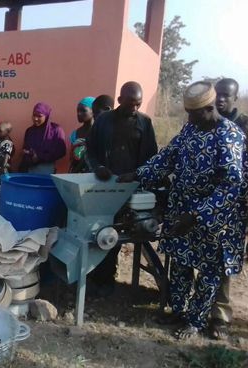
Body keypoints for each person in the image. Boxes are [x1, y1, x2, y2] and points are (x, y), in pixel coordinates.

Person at [118, 81, 248, 339]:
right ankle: (178, 311)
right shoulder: (191, 128)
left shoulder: (229, 135)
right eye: (188, 113)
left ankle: (196, 321)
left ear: (210, 108)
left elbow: (231, 185)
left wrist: (197, 215)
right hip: (182, 211)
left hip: (213, 220)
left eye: (194, 113)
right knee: (179, 263)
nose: (189, 118)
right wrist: (137, 174)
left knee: (209, 273)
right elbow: (167, 157)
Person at [86, 81, 158, 295]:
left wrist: (138, 175)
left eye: (138, 104)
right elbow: (90, 150)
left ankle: (108, 279)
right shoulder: (103, 121)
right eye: (131, 104)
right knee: (102, 230)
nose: (135, 108)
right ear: (119, 101)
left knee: (122, 233)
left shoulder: (144, 123)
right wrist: (98, 167)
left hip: (132, 188)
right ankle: (98, 277)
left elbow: (151, 155)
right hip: (104, 187)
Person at [208, 78, 248, 340]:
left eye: (226, 96)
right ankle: (200, 309)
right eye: (218, 94)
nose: (220, 99)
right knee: (204, 257)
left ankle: (221, 316)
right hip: (207, 203)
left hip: (231, 206)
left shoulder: (246, 124)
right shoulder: (210, 121)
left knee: (224, 261)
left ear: (235, 98)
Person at [19, 102, 67, 174]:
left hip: (46, 168)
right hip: (28, 168)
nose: (35, 119)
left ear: (46, 116)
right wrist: (27, 153)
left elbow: (61, 151)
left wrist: (40, 157)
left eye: (39, 116)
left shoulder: (56, 130)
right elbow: (25, 148)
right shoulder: (30, 131)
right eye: (34, 115)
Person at [69, 96, 95, 173]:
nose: (79, 113)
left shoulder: (98, 131)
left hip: (93, 174)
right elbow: (72, 157)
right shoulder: (75, 134)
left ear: (93, 111)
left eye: (83, 110)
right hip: (77, 173)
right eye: (78, 110)